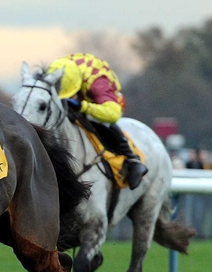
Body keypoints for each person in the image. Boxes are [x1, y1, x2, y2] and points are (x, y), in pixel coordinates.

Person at [47, 53, 148, 189]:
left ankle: (132, 159)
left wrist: (82, 105)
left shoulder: (98, 84)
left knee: (99, 120)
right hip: (82, 93)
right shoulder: (58, 68)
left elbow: (112, 114)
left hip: (110, 104)